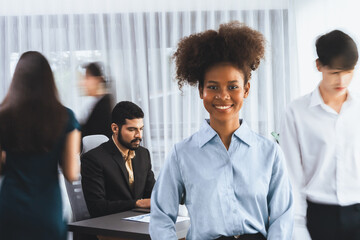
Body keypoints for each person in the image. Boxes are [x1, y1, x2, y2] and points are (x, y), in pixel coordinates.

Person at [149, 21, 293, 240]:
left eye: (233, 87)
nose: (223, 96)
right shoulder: (182, 154)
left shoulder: (269, 153)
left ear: (246, 89)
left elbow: (283, 218)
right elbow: (160, 218)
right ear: (200, 91)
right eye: (213, 87)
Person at [280, 30, 360, 240]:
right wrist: (297, 226)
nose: (342, 80)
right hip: (318, 217)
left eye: (349, 71)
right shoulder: (296, 112)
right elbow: (292, 175)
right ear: (319, 66)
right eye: (334, 72)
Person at [0, 51, 81, 240]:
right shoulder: (65, 117)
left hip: (10, 209)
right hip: (46, 210)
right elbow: (71, 173)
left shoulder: (3, 117)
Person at [81, 101, 156, 218]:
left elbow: (152, 195)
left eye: (141, 129)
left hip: (138, 223)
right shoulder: (93, 159)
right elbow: (97, 208)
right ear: (115, 128)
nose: (139, 135)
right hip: (110, 227)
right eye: (132, 130)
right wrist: (138, 203)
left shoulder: (143, 154)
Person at [79, 62, 113, 139]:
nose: (83, 83)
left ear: (98, 79)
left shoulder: (104, 106)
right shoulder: (94, 103)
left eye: (87, 78)